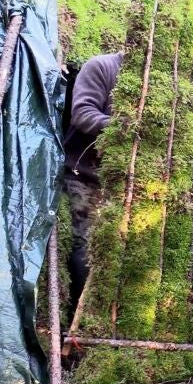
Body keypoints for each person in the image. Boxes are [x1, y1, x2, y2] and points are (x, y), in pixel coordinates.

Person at [63, 52, 123, 315]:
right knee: (85, 247)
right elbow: (83, 113)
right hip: (84, 176)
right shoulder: (102, 67)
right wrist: (124, 127)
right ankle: (82, 318)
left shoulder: (162, 83)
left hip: (122, 184)